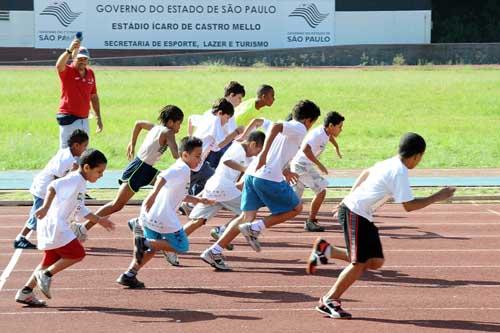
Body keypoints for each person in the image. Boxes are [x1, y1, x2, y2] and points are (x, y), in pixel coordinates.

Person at [306, 132, 456, 319]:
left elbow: (365, 172)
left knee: (375, 261)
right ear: (417, 156)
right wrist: (437, 197)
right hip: (355, 213)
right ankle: (329, 300)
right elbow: (408, 206)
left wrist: (348, 197)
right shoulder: (399, 171)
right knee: (359, 263)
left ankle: (326, 251)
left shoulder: (390, 162)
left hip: (362, 214)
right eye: (421, 158)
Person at [200, 100, 321, 270]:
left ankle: (214, 250)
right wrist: (263, 154)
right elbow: (276, 127)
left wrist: (285, 170)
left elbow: (267, 130)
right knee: (296, 208)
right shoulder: (299, 128)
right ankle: (256, 228)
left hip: (252, 175)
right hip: (267, 177)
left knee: (245, 217)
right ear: (309, 120)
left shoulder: (289, 128)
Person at [14, 149, 115, 307]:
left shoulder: (80, 182)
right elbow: (53, 186)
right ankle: (46, 275)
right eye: (99, 171)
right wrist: (46, 207)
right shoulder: (74, 179)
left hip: (54, 225)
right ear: (87, 167)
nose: (101, 175)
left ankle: (26, 291)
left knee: (50, 260)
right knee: (77, 253)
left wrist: (99, 220)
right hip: (56, 225)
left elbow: (79, 208)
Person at [70, 105, 183, 241]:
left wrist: (132, 143)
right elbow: (176, 155)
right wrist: (189, 151)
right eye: (179, 124)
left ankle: (148, 223)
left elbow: (138, 124)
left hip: (145, 169)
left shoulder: (155, 128)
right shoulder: (168, 132)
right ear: (171, 122)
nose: (179, 128)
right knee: (117, 205)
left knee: (167, 186)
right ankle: (82, 228)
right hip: (139, 169)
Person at [117, 137, 214, 289]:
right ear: (185, 155)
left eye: (200, 155)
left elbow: (179, 193)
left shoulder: (183, 169)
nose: (199, 160)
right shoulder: (181, 168)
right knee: (181, 246)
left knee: (152, 249)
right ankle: (144, 241)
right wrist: (153, 195)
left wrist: (198, 200)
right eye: (197, 156)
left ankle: (129, 274)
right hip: (162, 216)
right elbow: (162, 177)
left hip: (150, 214)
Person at [163, 131, 265, 266]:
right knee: (249, 212)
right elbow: (226, 161)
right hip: (222, 188)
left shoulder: (250, 157)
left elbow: (243, 177)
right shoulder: (237, 148)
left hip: (218, 188)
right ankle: (220, 237)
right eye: (259, 149)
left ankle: (170, 246)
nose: (258, 153)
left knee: (198, 221)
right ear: (252, 144)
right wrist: (244, 169)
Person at [13, 130, 89, 249]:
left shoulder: (68, 154)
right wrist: (72, 171)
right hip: (43, 190)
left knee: (45, 215)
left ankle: (58, 238)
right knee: (38, 216)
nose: (85, 149)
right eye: (84, 146)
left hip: (45, 189)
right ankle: (20, 238)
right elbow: (57, 179)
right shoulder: (66, 159)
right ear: (76, 145)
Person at [291, 111, 344, 232]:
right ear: (331, 126)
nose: (341, 130)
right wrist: (319, 165)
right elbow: (305, 149)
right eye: (340, 127)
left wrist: (336, 147)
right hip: (302, 165)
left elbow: (330, 137)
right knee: (321, 191)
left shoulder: (325, 131)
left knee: (294, 202)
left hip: (301, 164)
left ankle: (264, 204)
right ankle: (311, 221)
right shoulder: (318, 135)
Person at [189, 98, 243, 197]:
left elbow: (191, 119)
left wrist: (189, 136)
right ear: (220, 113)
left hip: (196, 160)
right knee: (212, 179)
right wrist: (236, 132)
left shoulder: (209, 116)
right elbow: (221, 144)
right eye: (227, 118)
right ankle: (189, 202)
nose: (227, 122)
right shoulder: (216, 121)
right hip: (193, 161)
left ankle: (192, 201)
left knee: (212, 178)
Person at [55, 39, 102, 148]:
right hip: (69, 117)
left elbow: (93, 96)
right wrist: (69, 50)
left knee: (83, 149)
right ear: (73, 58)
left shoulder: (90, 73)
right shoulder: (68, 71)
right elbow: (59, 65)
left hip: (84, 118)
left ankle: (80, 165)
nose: (82, 61)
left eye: (85, 59)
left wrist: (98, 117)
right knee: (66, 149)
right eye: (79, 58)